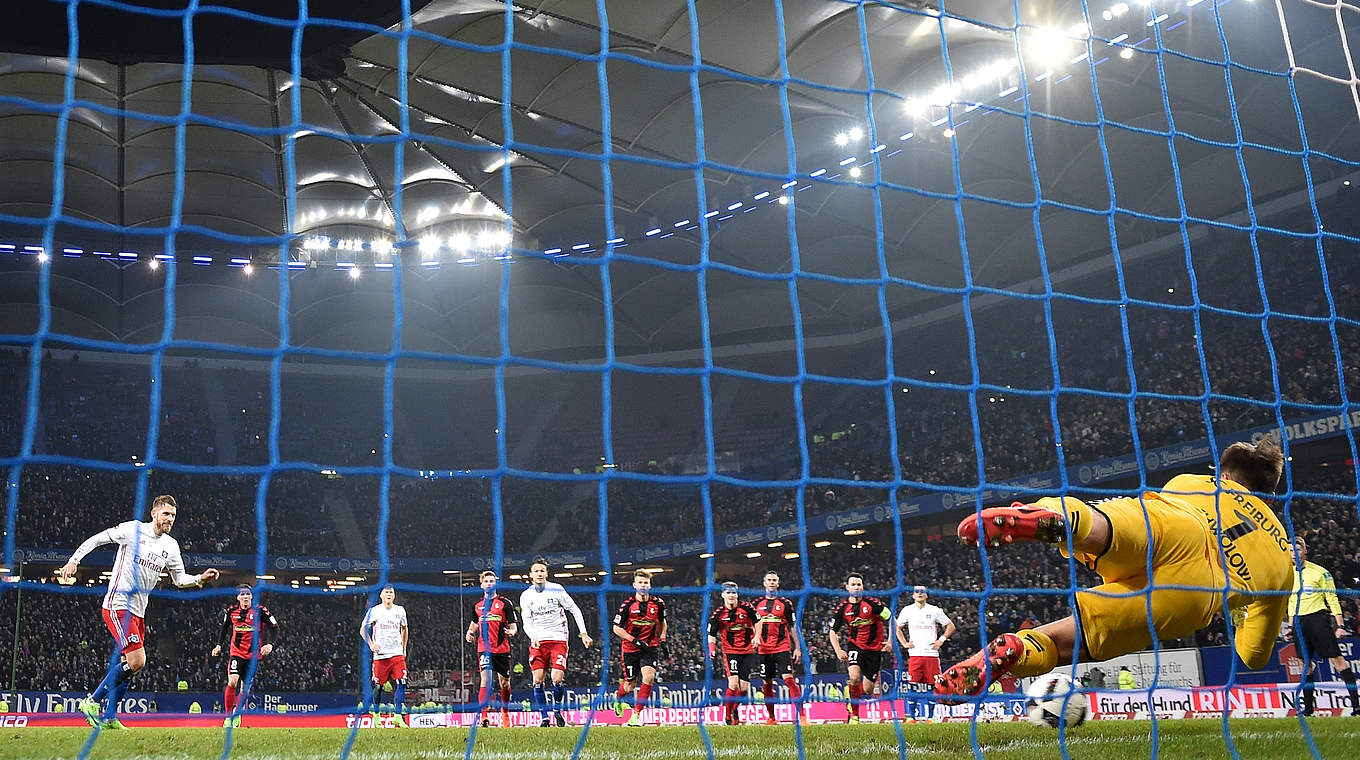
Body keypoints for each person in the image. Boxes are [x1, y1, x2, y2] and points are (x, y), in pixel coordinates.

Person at [935, 436, 1293, 699]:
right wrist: (1245, 611)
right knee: (1064, 644)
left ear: (1224, 474)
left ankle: (1054, 518)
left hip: (1179, 526)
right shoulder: (1283, 565)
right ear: (1270, 496)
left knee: (1100, 527)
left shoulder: (1192, 482)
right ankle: (1018, 647)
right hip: (1198, 593)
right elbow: (1253, 656)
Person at [59, 494, 220, 728]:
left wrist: (199, 579)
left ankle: (111, 717)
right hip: (118, 604)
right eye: (166, 514)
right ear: (154, 513)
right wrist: (74, 560)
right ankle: (92, 701)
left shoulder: (170, 545)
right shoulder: (133, 530)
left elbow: (179, 579)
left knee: (130, 666)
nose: (170, 519)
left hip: (139, 611)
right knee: (138, 660)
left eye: (173, 516)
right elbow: (98, 539)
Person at [1285, 536, 1359, 716]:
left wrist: (1340, 625)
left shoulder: (1320, 573)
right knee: (1305, 666)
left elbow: (1332, 599)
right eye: (1291, 550)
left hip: (1318, 620)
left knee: (1338, 661)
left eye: (1298, 550)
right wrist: (1290, 626)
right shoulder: (1286, 574)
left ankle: (1356, 706)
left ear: (1305, 551)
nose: (1294, 554)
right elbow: (1291, 601)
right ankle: (1308, 709)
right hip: (1299, 623)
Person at [519, 557, 593, 727]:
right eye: (536, 571)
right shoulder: (526, 596)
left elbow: (574, 609)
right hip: (538, 641)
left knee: (556, 678)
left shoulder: (557, 589)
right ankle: (544, 717)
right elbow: (526, 621)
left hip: (558, 639)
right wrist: (532, 636)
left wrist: (584, 633)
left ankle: (557, 711)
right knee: (537, 680)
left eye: (542, 570)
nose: (539, 573)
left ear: (546, 573)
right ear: (530, 575)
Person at [211, 584, 278, 728]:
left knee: (244, 689)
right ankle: (229, 717)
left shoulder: (261, 611)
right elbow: (224, 628)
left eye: (248, 594)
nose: (245, 597)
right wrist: (218, 645)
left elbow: (274, 627)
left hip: (253, 656)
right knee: (232, 682)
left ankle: (238, 712)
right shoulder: (231, 611)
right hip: (236, 653)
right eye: (242, 594)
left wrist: (270, 644)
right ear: (238, 598)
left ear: (252, 597)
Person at [828, 572, 891, 724]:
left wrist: (890, 642)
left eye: (859, 584)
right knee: (854, 677)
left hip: (874, 650)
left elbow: (891, 619)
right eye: (853, 585)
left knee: (868, 690)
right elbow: (833, 631)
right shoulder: (842, 608)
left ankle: (850, 696)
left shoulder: (874, 604)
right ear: (847, 587)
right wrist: (838, 650)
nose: (856, 587)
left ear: (862, 587)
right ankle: (855, 716)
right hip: (855, 646)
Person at [611, 568, 667, 727]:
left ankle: (635, 715)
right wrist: (633, 640)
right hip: (630, 649)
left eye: (646, 583)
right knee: (630, 685)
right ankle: (618, 697)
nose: (643, 585)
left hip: (650, 647)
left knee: (649, 677)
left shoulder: (658, 604)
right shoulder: (627, 605)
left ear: (650, 585)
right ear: (635, 585)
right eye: (640, 582)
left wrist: (662, 637)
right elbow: (616, 628)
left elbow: (662, 622)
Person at [752, 570, 806, 726]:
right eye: (769, 580)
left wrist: (798, 647)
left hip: (781, 647)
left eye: (774, 580)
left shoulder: (785, 604)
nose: (771, 582)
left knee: (789, 679)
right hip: (763, 649)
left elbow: (793, 626)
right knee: (767, 683)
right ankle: (771, 718)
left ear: (778, 583)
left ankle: (801, 716)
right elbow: (751, 625)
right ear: (764, 583)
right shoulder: (756, 604)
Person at [465, 570, 519, 728]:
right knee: (486, 681)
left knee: (505, 684)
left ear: (495, 583)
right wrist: (470, 632)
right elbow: (475, 623)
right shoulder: (477, 606)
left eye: (491, 581)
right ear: (481, 585)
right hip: (484, 649)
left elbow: (514, 626)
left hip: (502, 649)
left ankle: (505, 712)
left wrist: (512, 632)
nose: (489, 583)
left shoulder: (504, 603)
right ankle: (484, 716)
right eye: (486, 581)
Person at [894, 585, 955, 722]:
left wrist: (941, 640)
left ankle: (931, 717)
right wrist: (904, 643)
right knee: (912, 685)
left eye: (922, 592)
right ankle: (912, 717)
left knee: (932, 686)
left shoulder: (934, 610)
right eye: (917, 591)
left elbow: (950, 626)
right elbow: (898, 628)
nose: (920, 593)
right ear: (913, 595)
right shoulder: (907, 610)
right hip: (915, 655)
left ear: (926, 595)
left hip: (931, 655)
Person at [707, 582, 759, 725]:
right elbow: (711, 634)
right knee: (734, 683)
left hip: (747, 651)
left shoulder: (747, 608)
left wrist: (757, 636)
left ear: (737, 594)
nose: (731, 595)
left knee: (744, 688)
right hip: (730, 652)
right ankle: (727, 715)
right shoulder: (718, 614)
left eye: (733, 593)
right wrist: (712, 649)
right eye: (728, 593)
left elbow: (758, 621)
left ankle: (734, 709)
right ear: (723, 595)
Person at [360, 585, 410, 727]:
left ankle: (398, 716)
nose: (388, 594)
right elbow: (362, 629)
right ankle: (376, 716)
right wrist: (371, 644)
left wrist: (404, 648)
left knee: (402, 681)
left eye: (391, 592)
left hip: (397, 654)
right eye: (386, 592)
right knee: (379, 686)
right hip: (380, 656)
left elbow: (405, 629)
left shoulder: (400, 610)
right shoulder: (374, 611)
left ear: (394, 595)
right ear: (381, 595)